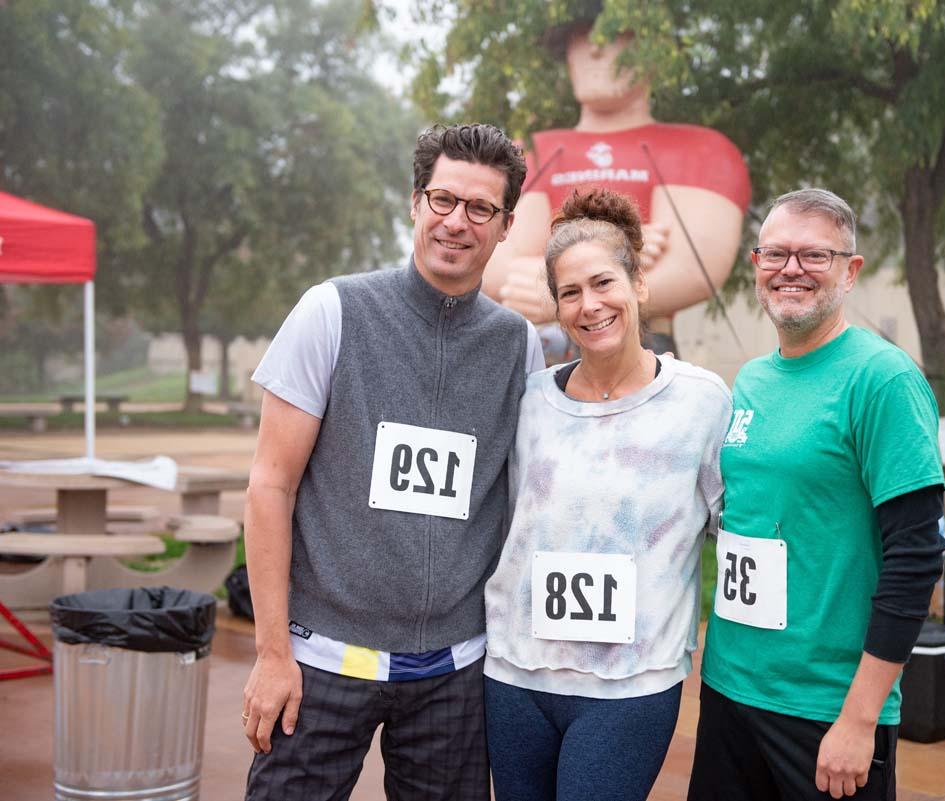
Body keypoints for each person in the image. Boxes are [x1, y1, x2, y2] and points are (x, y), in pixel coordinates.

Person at [240, 123, 544, 801]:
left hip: (453, 676)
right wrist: (270, 652)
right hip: (319, 663)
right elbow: (269, 485)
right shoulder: (331, 311)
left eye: (480, 209)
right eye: (443, 200)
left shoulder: (516, 345)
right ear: (414, 202)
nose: (456, 222)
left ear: (505, 226)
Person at [688, 189, 945, 801]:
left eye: (814, 255)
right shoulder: (751, 379)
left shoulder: (883, 380)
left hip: (826, 707)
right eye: (776, 254)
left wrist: (859, 720)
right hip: (731, 688)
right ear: (757, 265)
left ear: (850, 271)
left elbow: (916, 557)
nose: (791, 269)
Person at [483, 187, 732, 801]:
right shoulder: (528, 401)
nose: (589, 305)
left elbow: (736, 534)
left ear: (638, 284)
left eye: (603, 283)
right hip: (513, 677)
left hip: (630, 686)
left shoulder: (701, 402)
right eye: (570, 292)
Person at [484, 18, 750, 356]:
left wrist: (555, 283)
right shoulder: (525, 153)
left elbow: (693, 270)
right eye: (580, 37)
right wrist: (624, 249)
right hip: (542, 356)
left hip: (647, 347)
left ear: (655, 50)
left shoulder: (701, 150)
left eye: (615, 35)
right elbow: (496, 266)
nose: (594, 49)